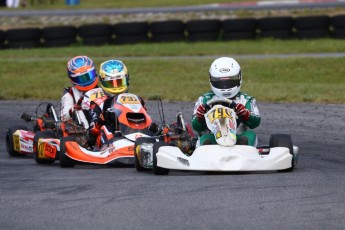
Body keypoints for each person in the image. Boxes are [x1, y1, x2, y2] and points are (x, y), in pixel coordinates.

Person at [192, 57, 261, 146]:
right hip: (213, 138)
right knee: (205, 138)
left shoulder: (245, 99)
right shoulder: (205, 99)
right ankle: (208, 150)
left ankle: (242, 148)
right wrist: (200, 117)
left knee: (250, 135)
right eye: (220, 82)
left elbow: (255, 123)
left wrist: (246, 114)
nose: (225, 85)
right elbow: (196, 126)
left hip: (238, 137)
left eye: (230, 81)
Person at [88, 59, 146, 147]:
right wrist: (102, 118)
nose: (116, 87)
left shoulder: (136, 99)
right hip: (111, 136)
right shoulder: (98, 102)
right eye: (111, 83)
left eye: (119, 82)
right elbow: (93, 129)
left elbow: (145, 118)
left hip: (135, 133)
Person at [60, 55, 99, 127]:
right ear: (73, 79)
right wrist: (74, 109)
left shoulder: (102, 90)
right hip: (82, 130)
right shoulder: (70, 94)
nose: (86, 81)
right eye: (81, 79)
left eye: (89, 76)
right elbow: (64, 117)